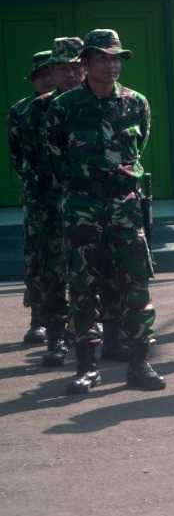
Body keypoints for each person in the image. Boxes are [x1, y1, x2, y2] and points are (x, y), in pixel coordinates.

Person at [47, 30, 166, 394]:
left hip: (126, 204)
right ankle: (86, 366)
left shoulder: (135, 103)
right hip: (83, 204)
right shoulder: (64, 107)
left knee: (135, 282)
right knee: (83, 285)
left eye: (116, 59)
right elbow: (56, 157)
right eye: (103, 58)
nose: (112, 65)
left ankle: (139, 363)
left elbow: (139, 145)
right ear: (85, 64)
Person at [20, 38, 82, 367]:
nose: (69, 75)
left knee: (92, 268)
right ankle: (55, 334)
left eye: (76, 67)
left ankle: (92, 330)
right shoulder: (34, 110)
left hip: (90, 199)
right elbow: (27, 156)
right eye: (62, 69)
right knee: (53, 269)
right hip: (49, 200)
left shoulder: (102, 103)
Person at [9, 50, 56, 345]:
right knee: (38, 259)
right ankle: (38, 320)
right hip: (39, 197)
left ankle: (88, 320)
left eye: (52, 73)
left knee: (82, 260)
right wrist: (35, 181)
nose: (47, 79)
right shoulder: (23, 110)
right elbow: (18, 154)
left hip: (75, 195)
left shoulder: (78, 105)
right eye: (41, 75)